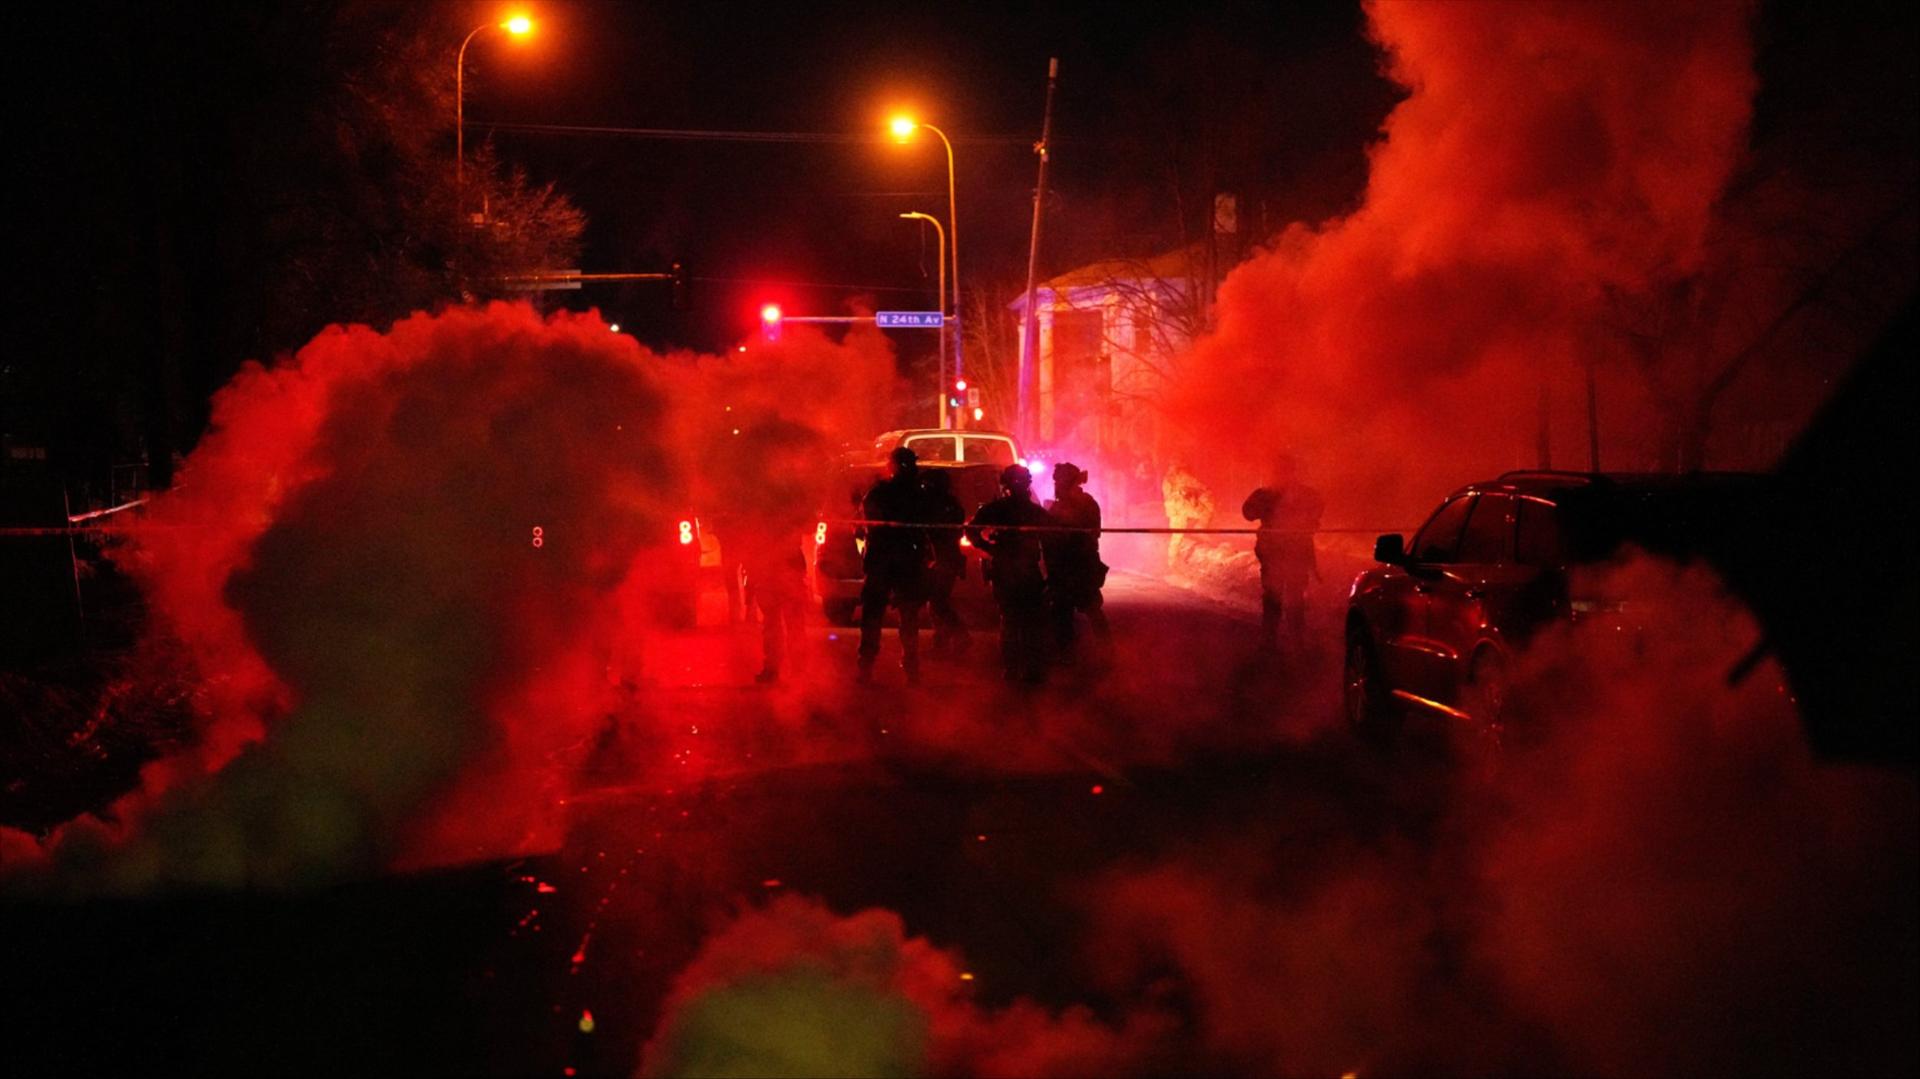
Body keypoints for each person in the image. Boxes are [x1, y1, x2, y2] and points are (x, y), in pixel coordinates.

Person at [966, 464, 1055, 684]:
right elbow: (1053, 540)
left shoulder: (996, 509)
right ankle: (1030, 670)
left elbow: (971, 530)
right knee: (1029, 621)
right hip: (1023, 572)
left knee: (1010, 621)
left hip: (1007, 570)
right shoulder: (1033, 511)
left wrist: (989, 548)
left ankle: (1012, 669)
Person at [857, 447, 931, 683]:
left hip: (887, 559)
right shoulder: (916, 495)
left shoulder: (881, 493)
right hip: (898, 559)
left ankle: (870, 667)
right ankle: (908, 668)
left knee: (878, 616)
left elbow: (865, 525)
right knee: (904, 617)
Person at [1241, 454, 1324, 651]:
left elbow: (1316, 512)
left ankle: (1293, 641)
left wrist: (1304, 520)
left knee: (1292, 597)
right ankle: (1273, 640)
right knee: (1274, 595)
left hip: (1296, 552)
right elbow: (1248, 512)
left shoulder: (1305, 495)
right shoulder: (1266, 494)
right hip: (1273, 553)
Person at [1043, 462, 1109, 658]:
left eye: (1059, 481)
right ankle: (1068, 651)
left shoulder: (1085, 503)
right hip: (1064, 565)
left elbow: (1092, 533)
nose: (1056, 485)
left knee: (1089, 607)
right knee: (1062, 610)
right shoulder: (1060, 505)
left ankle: (1104, 652)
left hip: (1080, 564)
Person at [920, 468, 972, 656]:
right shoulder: (950, 504)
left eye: (926, 484)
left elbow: (934, 532)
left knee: (938, 601)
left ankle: (960, 636)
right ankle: (941, 643)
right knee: (936, 601)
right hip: (944, 557)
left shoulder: (936, 505)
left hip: (942, 558)